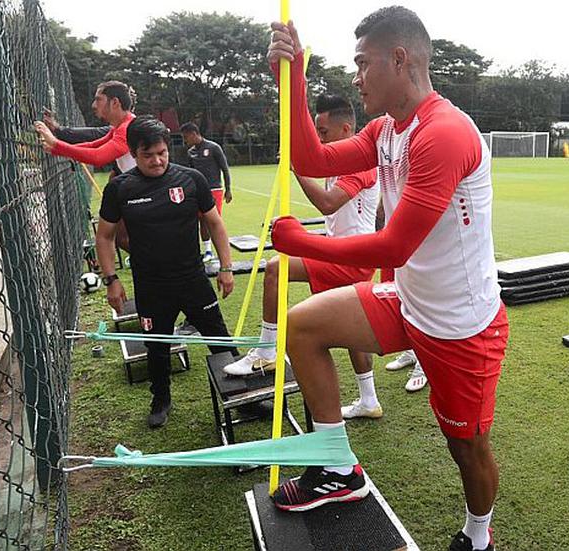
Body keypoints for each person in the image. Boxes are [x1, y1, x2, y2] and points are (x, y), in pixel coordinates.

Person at [266, 8, 507, 550]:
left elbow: (395, 245)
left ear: (399, 59)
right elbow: (310, 154)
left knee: (465, 447)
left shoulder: (443, 133)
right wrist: (294, 76)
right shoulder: (385, 129)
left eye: (362, 63)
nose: (355, 76)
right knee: (301, 327)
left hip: (461, 325)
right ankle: (337, 470)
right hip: (408, 299)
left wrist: (300, 242)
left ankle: (478, 534)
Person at [221, 94, 386, 421]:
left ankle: (266, 351)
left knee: (275, 268)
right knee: (352, 332)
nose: (319, 139)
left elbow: (327, 203)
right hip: (343, 251)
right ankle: (369, 399)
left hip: (351, 257)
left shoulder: (361, 163)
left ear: (346, 128)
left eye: (323, 132)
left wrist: (296, 168)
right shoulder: (336, 162)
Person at [95, 116, 236, 428]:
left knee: (220, 338)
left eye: (162, 153)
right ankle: (161, 399)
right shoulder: (120, 188)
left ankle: (240, 391)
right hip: (151, 286)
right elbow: (104, 237)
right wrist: (111, 280)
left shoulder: (191, 179)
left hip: (193, 280)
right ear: (133, 153)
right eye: (148, 155)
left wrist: (225, 267)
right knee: (157, 347)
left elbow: (214, 223)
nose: (157, 161)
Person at [34, 80, 136, 174]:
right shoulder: (119, 126)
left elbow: (98, 157)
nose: (94, 105)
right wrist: (55, 149)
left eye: (98, 100)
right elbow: (93, 145)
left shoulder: (127, 128)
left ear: (115, 102)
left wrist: (55, 143)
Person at [181, 122, 233, 262]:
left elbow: (225, 169)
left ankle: (223, 255)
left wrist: (228, 189)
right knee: (200, 221)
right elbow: (191, 173)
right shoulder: (190, 152)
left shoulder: (213, 147)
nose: (185, 141)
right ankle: (208, 251)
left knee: (213, 221)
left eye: (186, 137)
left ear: (193, 134)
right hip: (197, 191)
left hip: (214, 189)